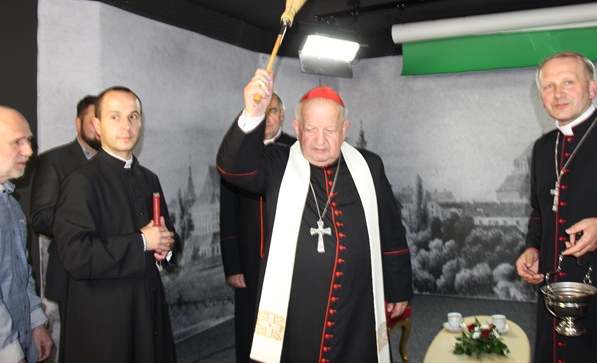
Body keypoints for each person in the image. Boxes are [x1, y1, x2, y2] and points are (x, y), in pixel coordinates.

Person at [217, 69, 413, 363]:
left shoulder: (369, 166)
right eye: (310, 130)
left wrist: (397, 286)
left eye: (330, 131)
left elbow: (391, 230)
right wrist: (252, 113)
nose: (320, 141)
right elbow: (232, 168)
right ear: (297, 128)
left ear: (345, 129)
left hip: (357, 303)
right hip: (296, 307)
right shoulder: (277, 162)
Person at [516, 52, 597, 362]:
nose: (558, 94)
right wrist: (533, 248)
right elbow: (540, 213)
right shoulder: (543, 147)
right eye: (549, 86)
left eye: (568, 82)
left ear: (592, 88)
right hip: (554, 296)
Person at [52, 86, 179, 363]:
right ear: (97, 125)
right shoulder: (80, 182)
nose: (126, 125)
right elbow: (76, 256)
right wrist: (142, 241)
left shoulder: (149, 178)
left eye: (133, 116)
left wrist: (167, 247)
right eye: (115, 117)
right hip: (105, 321)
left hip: (148, 311)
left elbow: (166, 232)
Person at [219, 91, 296, 363]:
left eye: (272, 111)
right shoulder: (239, 153)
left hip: (290, 256)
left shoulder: (298, 150)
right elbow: (228, 212)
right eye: (262, 112)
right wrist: (233, 265)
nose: (267, 118)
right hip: (250, 257)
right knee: (250, 326)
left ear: (282, 115)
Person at [30, 95, 99, 356]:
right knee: (80, 350)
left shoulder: (117, 163)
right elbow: (40, 217)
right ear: (77, 123)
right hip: (72, 273)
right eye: (92, 119)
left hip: (113, 271)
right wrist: (91, 223)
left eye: (102, 119)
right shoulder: (54, 161)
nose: (98, 126)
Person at [0, 106, 53, 363]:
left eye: (29, 141)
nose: (30, 151)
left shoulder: (10, 204)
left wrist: (36, 324)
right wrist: (10, 355)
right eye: (17, 142)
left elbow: (21, 273)